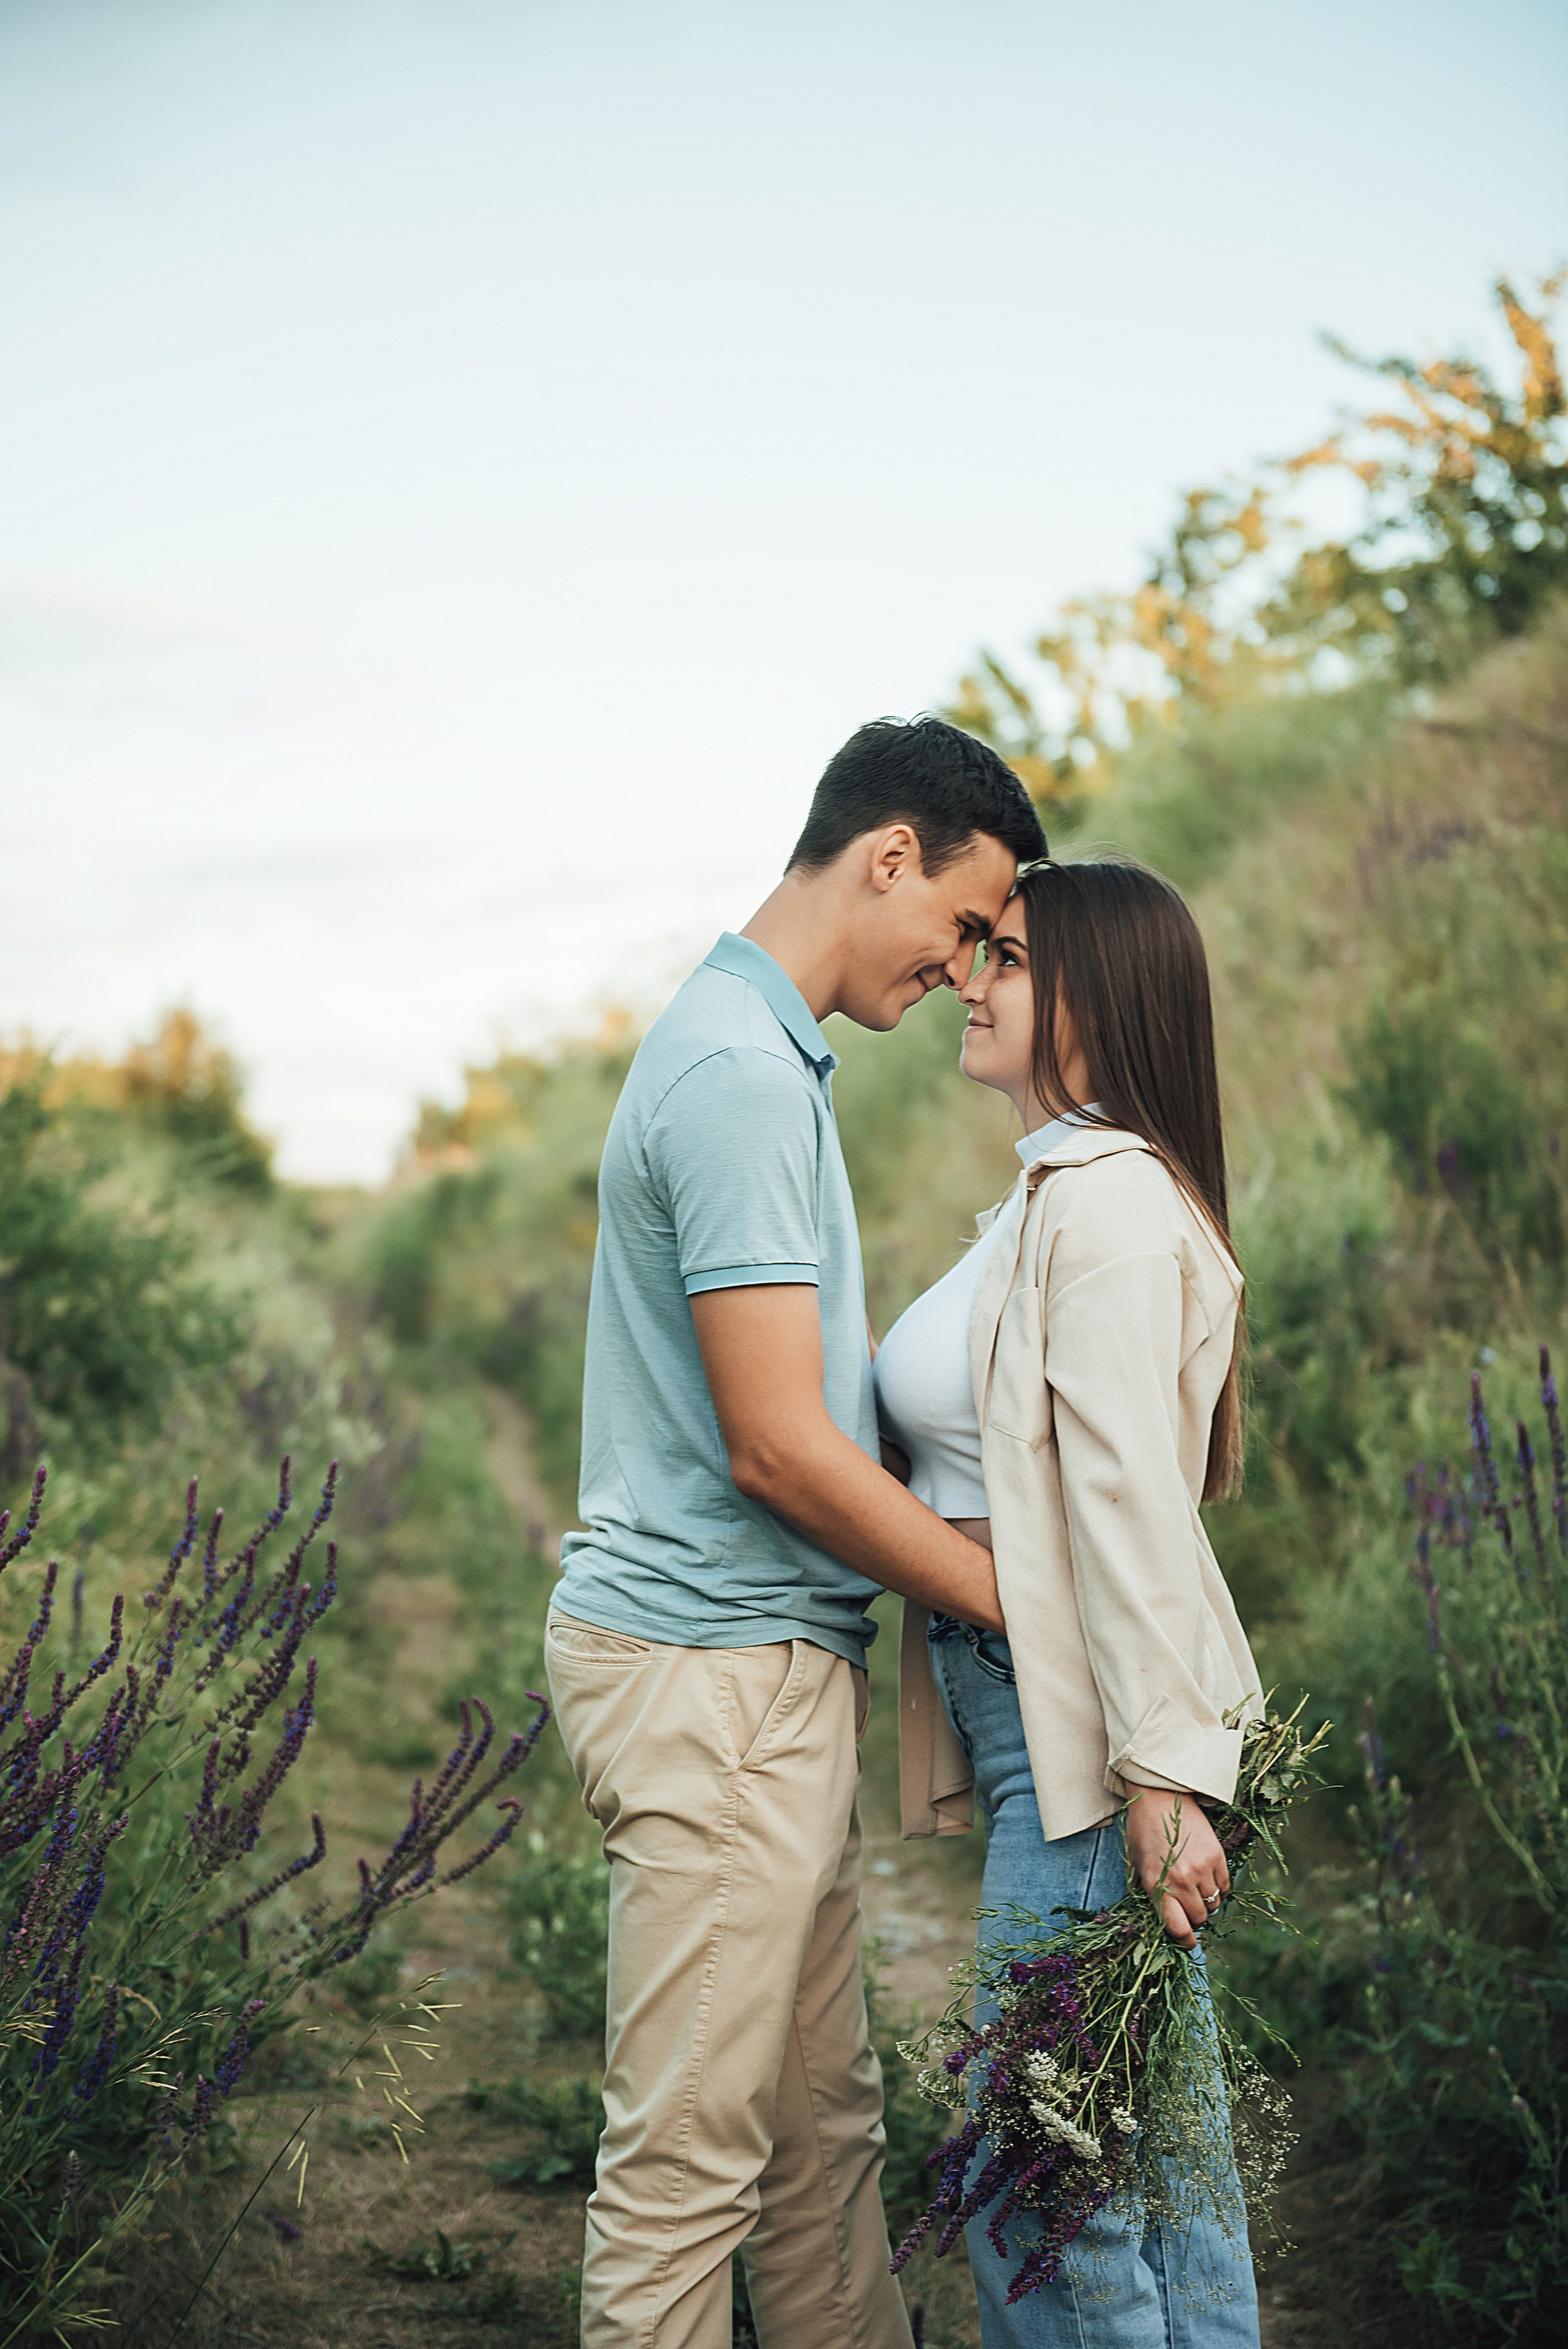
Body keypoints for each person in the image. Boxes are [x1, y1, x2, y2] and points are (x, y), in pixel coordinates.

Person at [546, 717, 1048, 2349]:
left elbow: (793, 1403)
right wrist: (1015, 1597)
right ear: (888, 855)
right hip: (714, 1677)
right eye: (963, 922)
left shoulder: (752, 1049)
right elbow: (774, 1445)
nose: (962, 969)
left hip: (757, 1678)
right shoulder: (742, 1076)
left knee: (820, 2148)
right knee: (687, 2176)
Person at [875, 855, 1264, 2348]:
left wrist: (1157, 1775)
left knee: (1040, 2181)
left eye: (1012, 958)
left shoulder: (1103, 1203)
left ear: (1096, 1003)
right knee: (1153, 2168)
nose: (970, 980)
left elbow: (1126, 1503)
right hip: (1045, 1713)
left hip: (1085, 1737)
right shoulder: (1053, 1192)